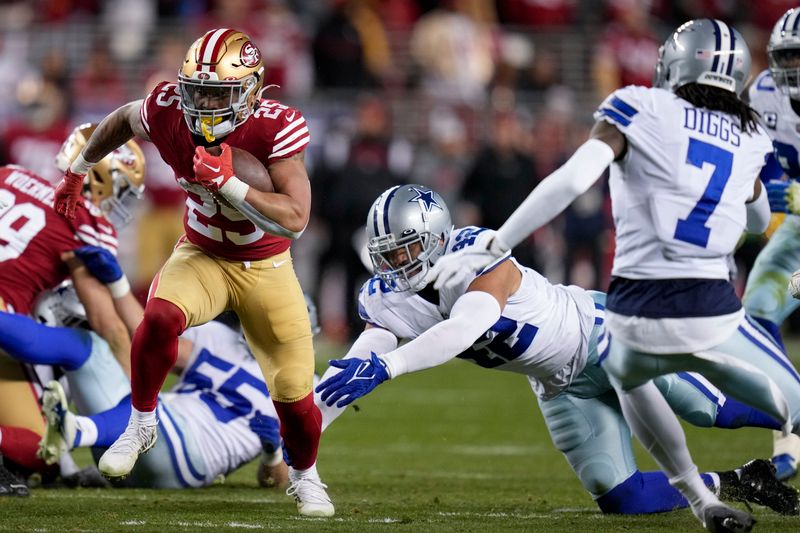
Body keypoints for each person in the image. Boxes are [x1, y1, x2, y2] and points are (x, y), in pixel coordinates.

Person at [430, 19, 800, 532]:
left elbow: (574, 178)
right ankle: (742, 468)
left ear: (674, 62)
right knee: (773, 404)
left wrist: (497, 241)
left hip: (629, 315)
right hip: (705, 306)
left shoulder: (639, 105)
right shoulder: (751, 132)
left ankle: (700, 496)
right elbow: (759, 222)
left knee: (640, 381)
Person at [315, 184, 798, 517]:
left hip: (605, 339)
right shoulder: (389, 294)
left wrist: (390, 366)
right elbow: (361, 358)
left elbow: (468, 326)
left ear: (438, 238)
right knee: (622, 499)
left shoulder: (478, 252)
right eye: (387, 253)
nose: (395, 265)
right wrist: (302, 442)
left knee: (711, 410)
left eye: (404, 250)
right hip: (559, 384)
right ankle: (737, 480)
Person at [50, 28, 332, 516]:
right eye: (195, 90)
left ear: (250, 91)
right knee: (158, 318)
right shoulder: (167, 109)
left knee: (294, 397)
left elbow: (296, 218)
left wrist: (230, 185)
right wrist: (79, 167)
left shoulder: (274, 128)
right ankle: (142, 422)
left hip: (266, 266)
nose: (201, 103)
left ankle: (307, 477)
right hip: (201, 254)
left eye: (216, 94)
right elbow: (121, 119)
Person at [0, 282, 289, 489]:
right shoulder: (226, 340)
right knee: (98, 358)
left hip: (177, 446)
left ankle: (76, 432)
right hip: (134, 455)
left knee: (140, 398)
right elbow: (151, 344)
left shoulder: (304, 385)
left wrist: (273, 453)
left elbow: (281, 479)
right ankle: (71, 444)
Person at [0, 123, 144, 490]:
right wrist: (144, 394)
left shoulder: (11, 175)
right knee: (38, 450)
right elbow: (107, 324)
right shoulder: (84, 220)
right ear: (100, 176)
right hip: (5, 317)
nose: (120, 201)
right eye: (122, 187)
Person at [742, 6, 800, 481]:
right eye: (787, 57)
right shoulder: (763, 93)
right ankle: (791, 433)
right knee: (758, 312)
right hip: (798, 230)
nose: (790, 68)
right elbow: (751, 165)